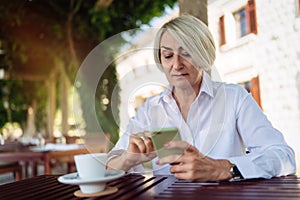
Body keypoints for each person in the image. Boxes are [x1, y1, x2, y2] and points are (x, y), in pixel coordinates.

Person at [106, 15, 296, 182]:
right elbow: (109, 167)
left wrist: (224, 168)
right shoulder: (150, 109)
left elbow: (284, 157)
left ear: (204, 54)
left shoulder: (234, 98)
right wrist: (128, 159)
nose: (176, 65)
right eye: (168, 55)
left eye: (186, 53)